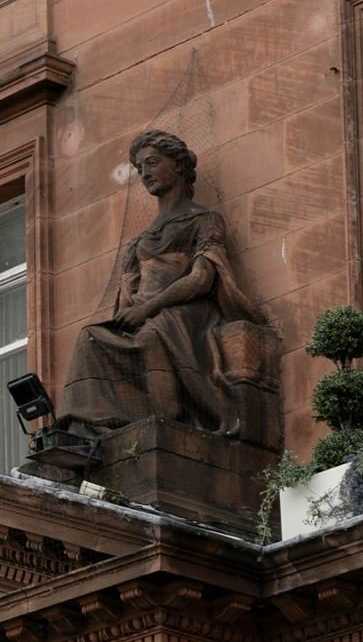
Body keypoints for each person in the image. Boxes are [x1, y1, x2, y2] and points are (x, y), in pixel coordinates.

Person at [59, 130, 263, 437]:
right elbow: (129, 293)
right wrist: (128, 315)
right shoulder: (139, 242)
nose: (145, 174)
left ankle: (168, 416)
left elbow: (201, 278)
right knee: (90, 337)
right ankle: (93, 427)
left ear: (179, 165)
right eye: (140, 169)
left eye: (152, 163)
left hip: (188, 310)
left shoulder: (204, 220)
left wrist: (149, 308)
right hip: (148, 312)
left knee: (156, 331)